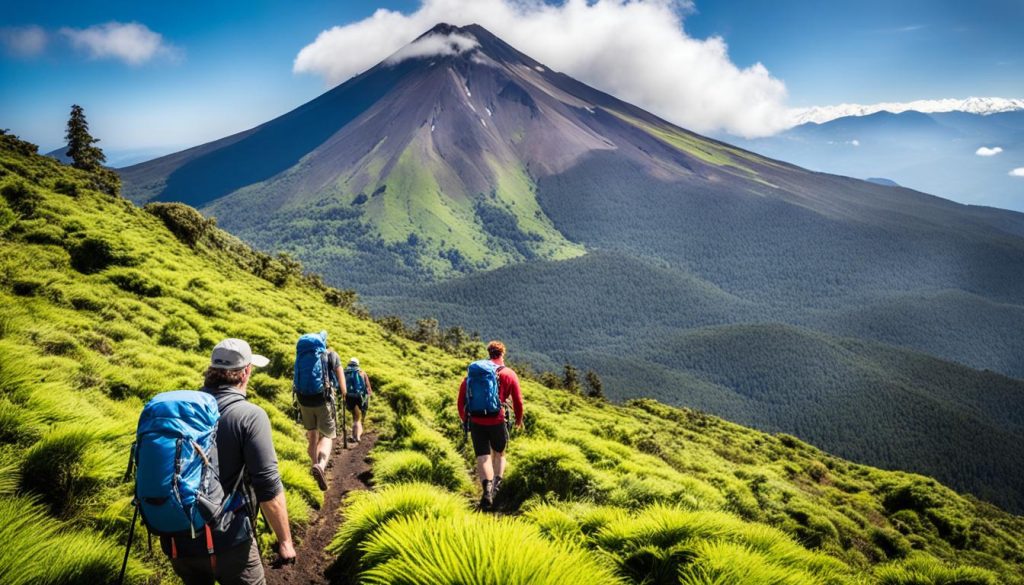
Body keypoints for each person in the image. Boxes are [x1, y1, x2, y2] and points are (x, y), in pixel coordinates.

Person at [166, 338, 296, 584]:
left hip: (178, 541)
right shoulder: (249, 416)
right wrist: (285, 541)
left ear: (212, 370)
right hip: (229, 541)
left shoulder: (184, 411)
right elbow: (268, 488)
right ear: (246, 372)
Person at [457, 340, 524, 510]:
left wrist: (465, 419)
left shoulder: (475, 374)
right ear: (503, 353)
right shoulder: (509, 373)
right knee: (499, 454)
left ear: (489, 353)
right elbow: (517, 401)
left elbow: (461, 399)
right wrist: (518, 419)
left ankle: (486, 491)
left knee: (483, 456)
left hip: (477, 420)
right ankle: (495, 489)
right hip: (498, 420)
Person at [295, 332, 346, 491]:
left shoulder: (301, 355)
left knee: (312, 435)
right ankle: (321, 466)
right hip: (322, 399)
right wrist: (344, 394)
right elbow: (342, 384)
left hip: (303, 399)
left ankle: (313, 465)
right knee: (327, 435)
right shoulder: (331, 355)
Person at [343, 357, 373, 443]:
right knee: (357, 418)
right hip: (359, 397)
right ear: (357, 364)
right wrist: (367, 398)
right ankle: (357, 436)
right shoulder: (362, 372)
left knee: (355, 416)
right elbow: (368, 389)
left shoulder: (345, 372)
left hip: (349, 396)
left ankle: (354, 435)